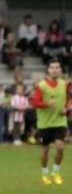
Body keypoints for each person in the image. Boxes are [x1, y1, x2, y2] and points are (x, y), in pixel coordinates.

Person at [31, 58, 69, 186]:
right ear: (48, 70)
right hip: (45, 123)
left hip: (59, 121)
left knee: (60, 147)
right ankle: (45, 173)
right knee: (45, 150)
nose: (55, 69)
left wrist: (66, 109)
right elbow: (34, 102)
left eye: (57, 67)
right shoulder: (41, 86)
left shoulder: (65, 84)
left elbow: (68, 99)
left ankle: (56, 172)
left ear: (60, 70)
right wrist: (47, 104)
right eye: (52, 67)